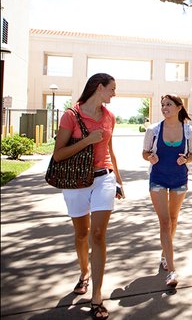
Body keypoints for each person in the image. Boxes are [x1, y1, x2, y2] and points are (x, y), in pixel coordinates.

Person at [53, 73, 124, 320]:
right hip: (76, 182)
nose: (115, 93)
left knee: (98, 234)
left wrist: (119, 180)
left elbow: (110, 151)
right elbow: (58, 155)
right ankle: (84, 272)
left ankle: (97, 295)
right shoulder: (70, 115)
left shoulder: (110, 117)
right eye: (112, 89)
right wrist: (86, 141)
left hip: (104, 177)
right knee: (82, 233)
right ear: (99, 87)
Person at [142, 94, 192, 288]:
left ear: (179, 107)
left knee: (173, 220)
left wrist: (186, 159)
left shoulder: (189, 131)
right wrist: (150, 157)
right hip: (157, 178)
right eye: (163, 105)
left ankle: (165, 253)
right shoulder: (153, 130)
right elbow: (144, 152)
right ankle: (172, 270)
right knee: (164, 221)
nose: (165, 107)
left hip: (179, 179)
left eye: (169, 104)